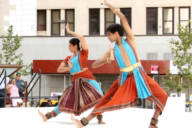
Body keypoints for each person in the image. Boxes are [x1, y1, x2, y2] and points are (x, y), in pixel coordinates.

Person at [71, 0, 168, 128]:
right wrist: (106, 60)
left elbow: (123, 18)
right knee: (106, 98)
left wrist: (110, 6)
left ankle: (153, 124)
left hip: (138, 76)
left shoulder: (130, 40)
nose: (108, 37)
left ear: (116, 33)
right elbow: (94, 65)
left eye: (109, 35)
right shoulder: (112, 48)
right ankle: (84, 122)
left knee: (163, 96)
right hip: (123, 78)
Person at [38, 23, 105, 124]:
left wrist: (70, 32)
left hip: (88, 80)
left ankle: (99, 119)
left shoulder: (83, 54)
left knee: (100, 97)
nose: (68, 48)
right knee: (65, 100)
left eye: (70, 46)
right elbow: (59, 69)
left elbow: (82, 37)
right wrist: (68, 68)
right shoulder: (68, 58)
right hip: (75, 83)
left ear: (75, 46)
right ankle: (47, 116)